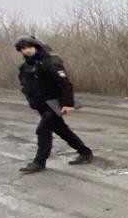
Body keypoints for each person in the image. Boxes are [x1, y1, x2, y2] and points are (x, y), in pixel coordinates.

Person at [14, 35, 93, 173]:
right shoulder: (25, 66)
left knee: (43, 130)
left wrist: (68, 104)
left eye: (29, 47)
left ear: (35, 46)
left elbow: (65, 84)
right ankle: (85, 152)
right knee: (62, 130)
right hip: (41, 104)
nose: (26, 51)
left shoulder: (49, 61)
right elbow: (25, 84)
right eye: (23, 49)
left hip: (55, 102)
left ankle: (39, 162)